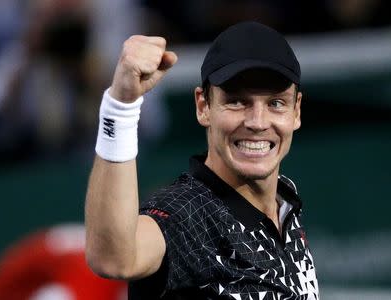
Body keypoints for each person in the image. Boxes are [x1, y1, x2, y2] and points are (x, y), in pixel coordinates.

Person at [85, 21, 319, 299]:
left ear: (296, 112)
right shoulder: (184, 214)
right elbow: (114, 258)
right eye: (237, 101)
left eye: (276, 103)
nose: (258, 122)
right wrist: (120, 107)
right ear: (203, 107)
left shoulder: (286, 198)